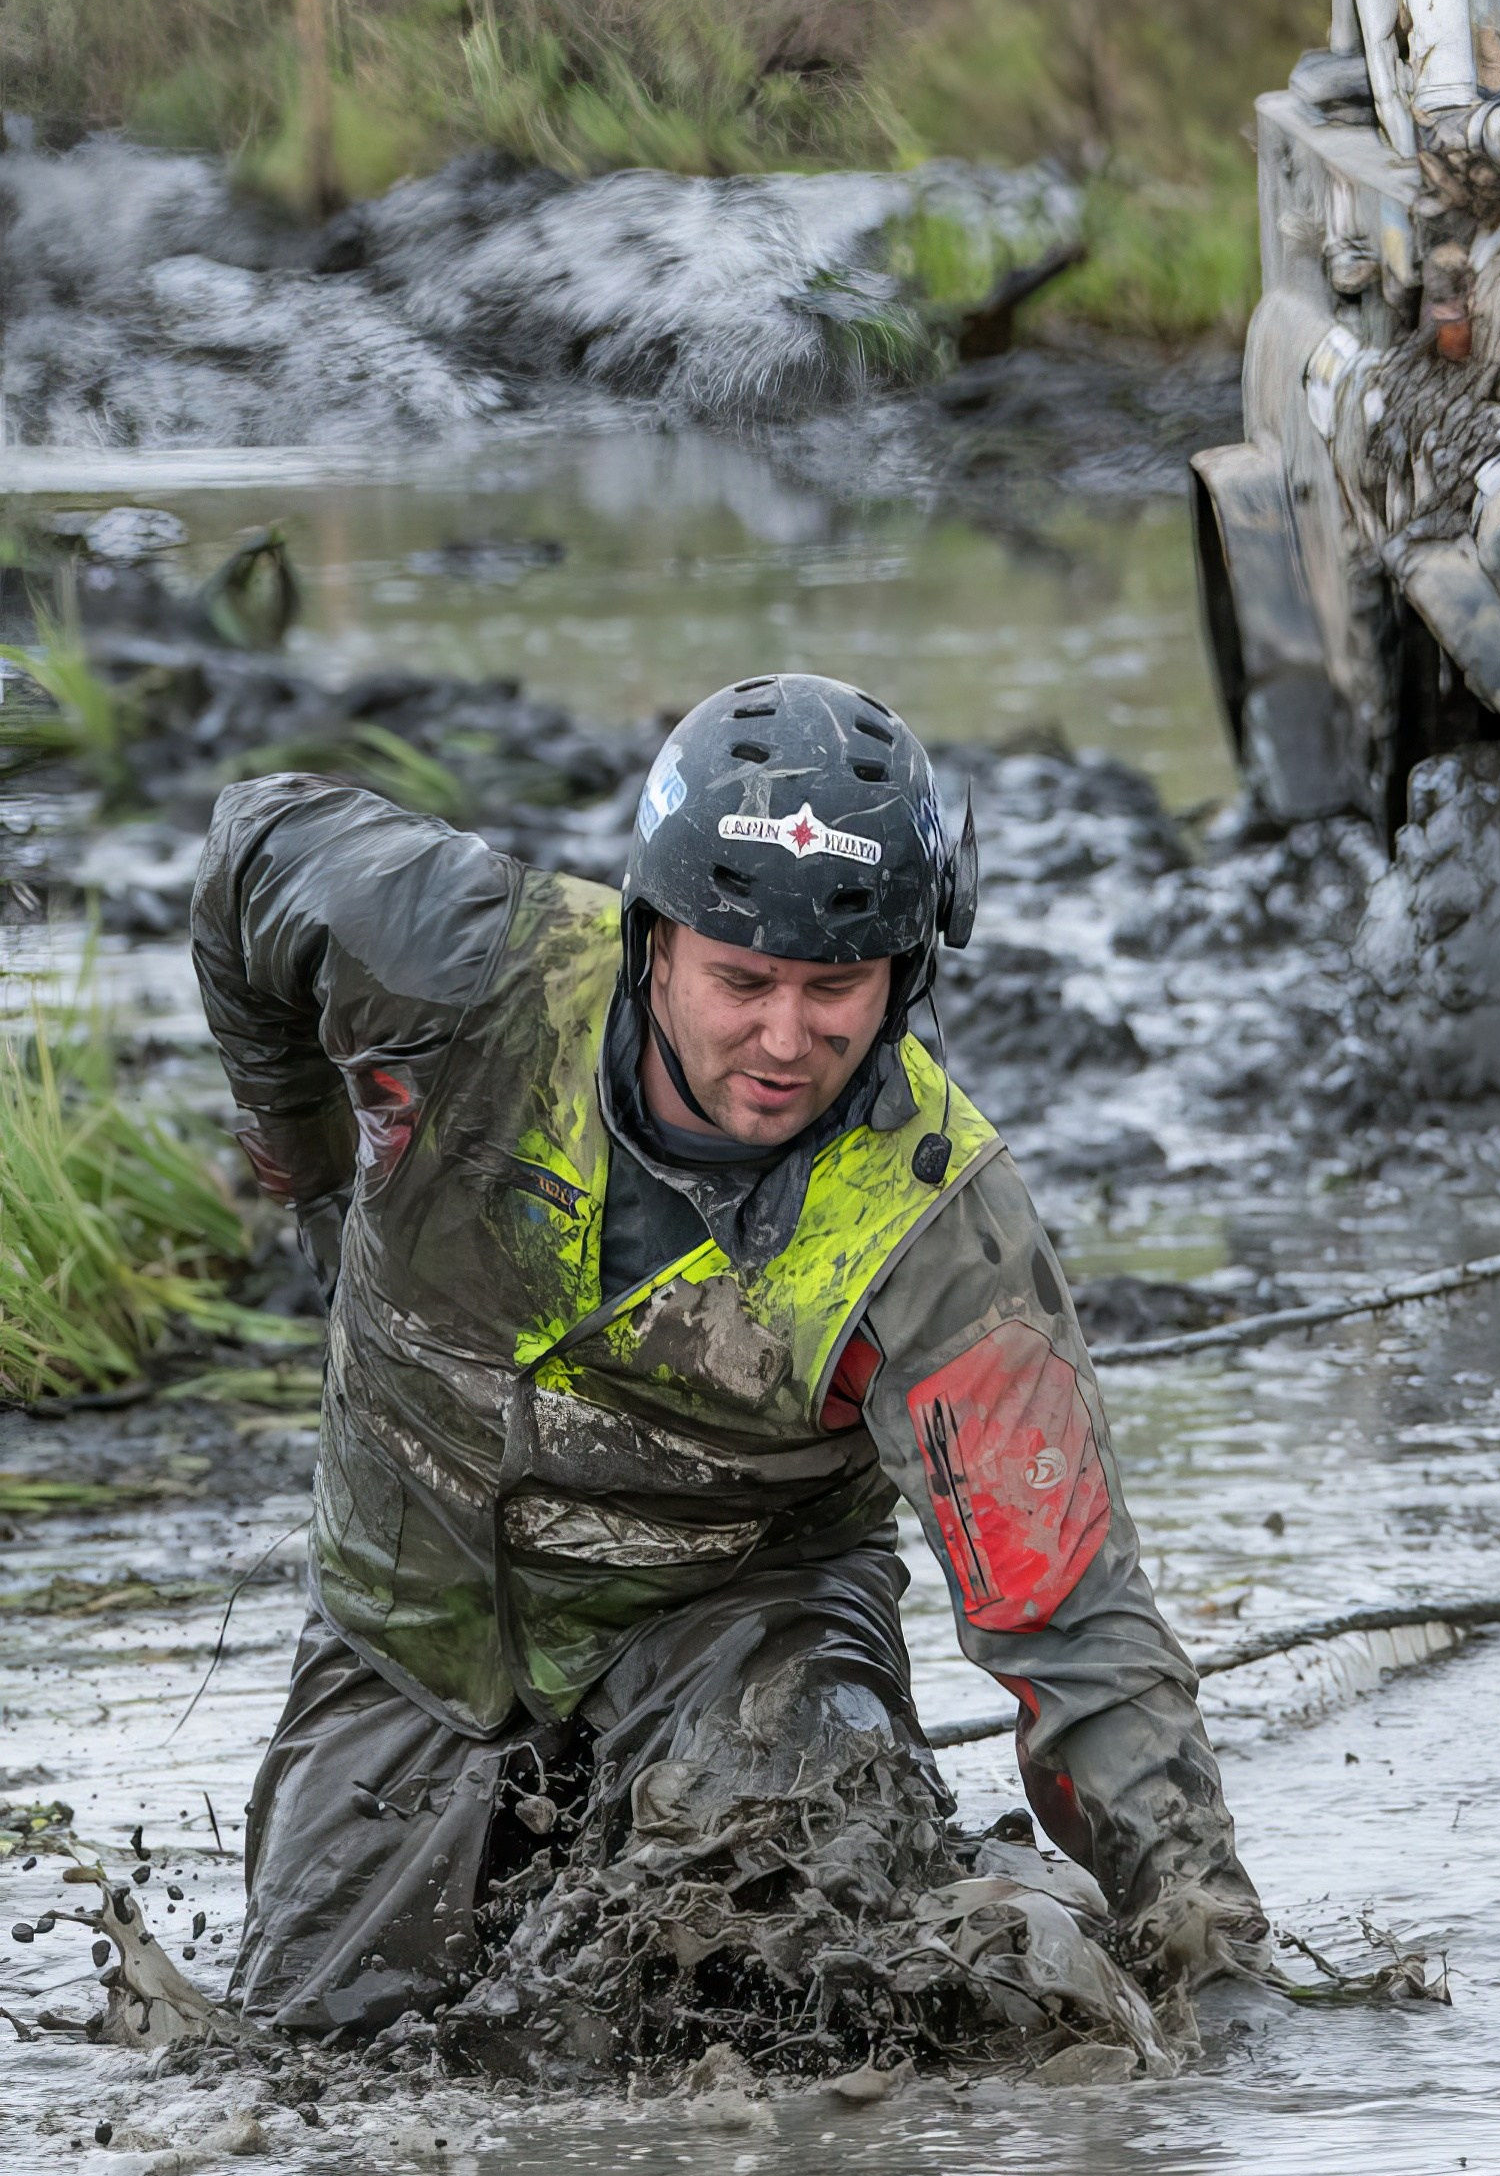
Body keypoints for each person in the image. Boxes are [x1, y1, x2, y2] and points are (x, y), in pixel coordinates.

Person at [189, 670, 1265, 2038]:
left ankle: (996, 1909)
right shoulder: (460, 959)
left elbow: (1077, 1631)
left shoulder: (939, 1234)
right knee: (315, 2048)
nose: (782, 1038)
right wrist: (308, 1165)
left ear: (905, 973)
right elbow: (248, 852)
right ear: (654, 941)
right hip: (418, 1612)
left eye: (836, 989)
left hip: (745, 1612)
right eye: (740, 980)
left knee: (811, 1948)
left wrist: (1213, 1960)